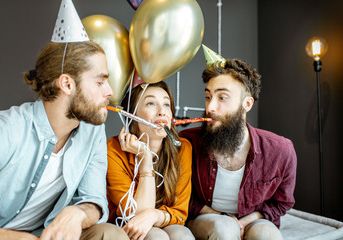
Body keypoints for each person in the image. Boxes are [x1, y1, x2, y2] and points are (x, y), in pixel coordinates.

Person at [0, 39, 131, 239]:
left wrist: (78, 213)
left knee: (110, 233)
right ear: (67, 84)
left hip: (43, 234)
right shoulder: (2, 130)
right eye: (99, 82)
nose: (110, 91)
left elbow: (94, 201)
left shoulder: (93, 132)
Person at [180, 46, 297, 240]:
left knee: (267, 235)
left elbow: (281, 203)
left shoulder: (281, 150)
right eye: (208, 96)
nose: (211, 107)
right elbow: (181, 197)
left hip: (252, 219)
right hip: (205, 219)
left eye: (222, 97)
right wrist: (221, 218)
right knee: (224, 229)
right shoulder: (187, 142)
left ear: (247, 104)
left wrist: (242, 223)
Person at [106, 81, 195, 240]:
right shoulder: (113, 150)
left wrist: (154, 215)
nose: (162, 112)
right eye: (151, 103)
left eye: (166, 105)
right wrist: (145, 159)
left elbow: (180, 213)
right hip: (124, 227)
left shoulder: (183, 149)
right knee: (156, 237)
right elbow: (135, 216)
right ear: (132, 114)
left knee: (183, 236)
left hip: (161, 220)